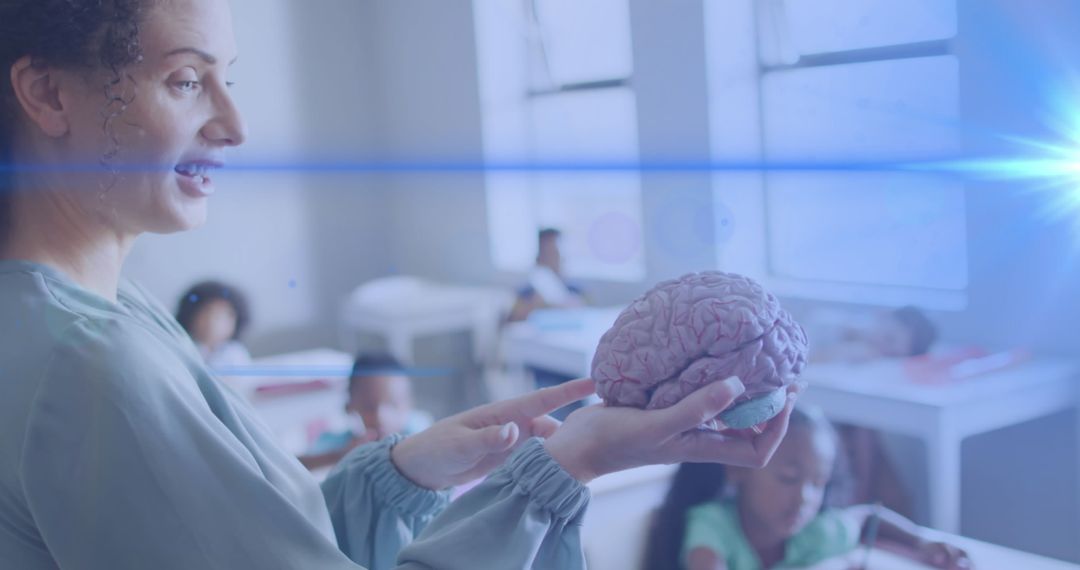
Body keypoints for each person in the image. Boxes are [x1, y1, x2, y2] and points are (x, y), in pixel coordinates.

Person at [0, 1, 803, 568]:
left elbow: (255, 543)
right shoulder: (90, 360)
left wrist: (404, 471)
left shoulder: (85, 311)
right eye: (185, 80)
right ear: (45, 93)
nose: (234, 126)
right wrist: (563, 467)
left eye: (227, 80)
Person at [642, 406, 972, 570]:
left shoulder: (812, 533)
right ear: (738, 469)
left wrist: (922, 542)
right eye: (788, 478)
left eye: (818, 483)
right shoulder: (712, 524)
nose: (804, 498)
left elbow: (866, 517)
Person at [299, 353, 433, 471]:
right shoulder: (344, 444)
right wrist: (339, 455)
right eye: (368, 406)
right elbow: (295, 467)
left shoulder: (418, 430)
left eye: (393, 404)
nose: (380, 417)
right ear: (349, 406)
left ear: (410, 404)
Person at [507, 227, 587, 322]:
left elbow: (590, 314)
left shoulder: (575, 290)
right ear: (538, 258)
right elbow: (510, 321)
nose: (553, 260)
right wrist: (533, 306)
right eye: (548, 253)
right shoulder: (526, 293)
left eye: (556, 254)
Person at [175, 279, 252, 367]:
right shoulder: (181, 346)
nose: (212, 320)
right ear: (191, 314)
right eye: (206, 311)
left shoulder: (236, 353)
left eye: (225, 315)